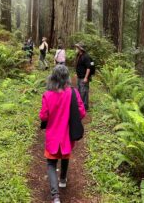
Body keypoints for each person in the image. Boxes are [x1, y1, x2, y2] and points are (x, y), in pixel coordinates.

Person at [39, 65, 86, 203]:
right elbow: (82, 112)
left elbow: (43, 116)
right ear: (67, 78)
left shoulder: (47, 95)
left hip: (53, 135)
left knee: (51, 163)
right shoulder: (73, 93)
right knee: (65, 155)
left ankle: (55, 196)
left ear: (53, 77)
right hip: (67, 135)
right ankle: (63, 179)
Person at [75, 42, 91, 110]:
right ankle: (80, 105)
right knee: (79, 91)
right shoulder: (79, 55)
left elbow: (88, 68)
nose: (76, 49)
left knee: (84, 92)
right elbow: (78, 65)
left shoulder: (86, 56)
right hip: (79, 77)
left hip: (84, 77)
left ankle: (85, 106)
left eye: (77, 47)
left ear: (81, 49)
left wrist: (86, 77)